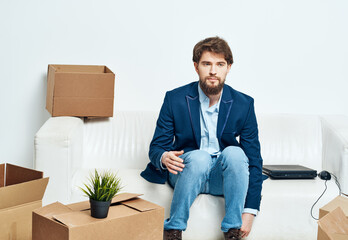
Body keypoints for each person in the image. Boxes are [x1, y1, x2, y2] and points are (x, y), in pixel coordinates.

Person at [141, 36, 263, 240]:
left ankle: (232, 231)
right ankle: (173, 230)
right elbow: (157, 147)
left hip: (221, 178)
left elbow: (254, 160)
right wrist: (163, 157)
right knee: (200, 158)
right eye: (207, 64)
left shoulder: (244, 104)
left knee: (235, 153)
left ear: (228, 67)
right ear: (196, 67)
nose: (213, 71)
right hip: (186, 172)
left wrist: (250, 211)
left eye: (220, 64)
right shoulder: (175, 98)